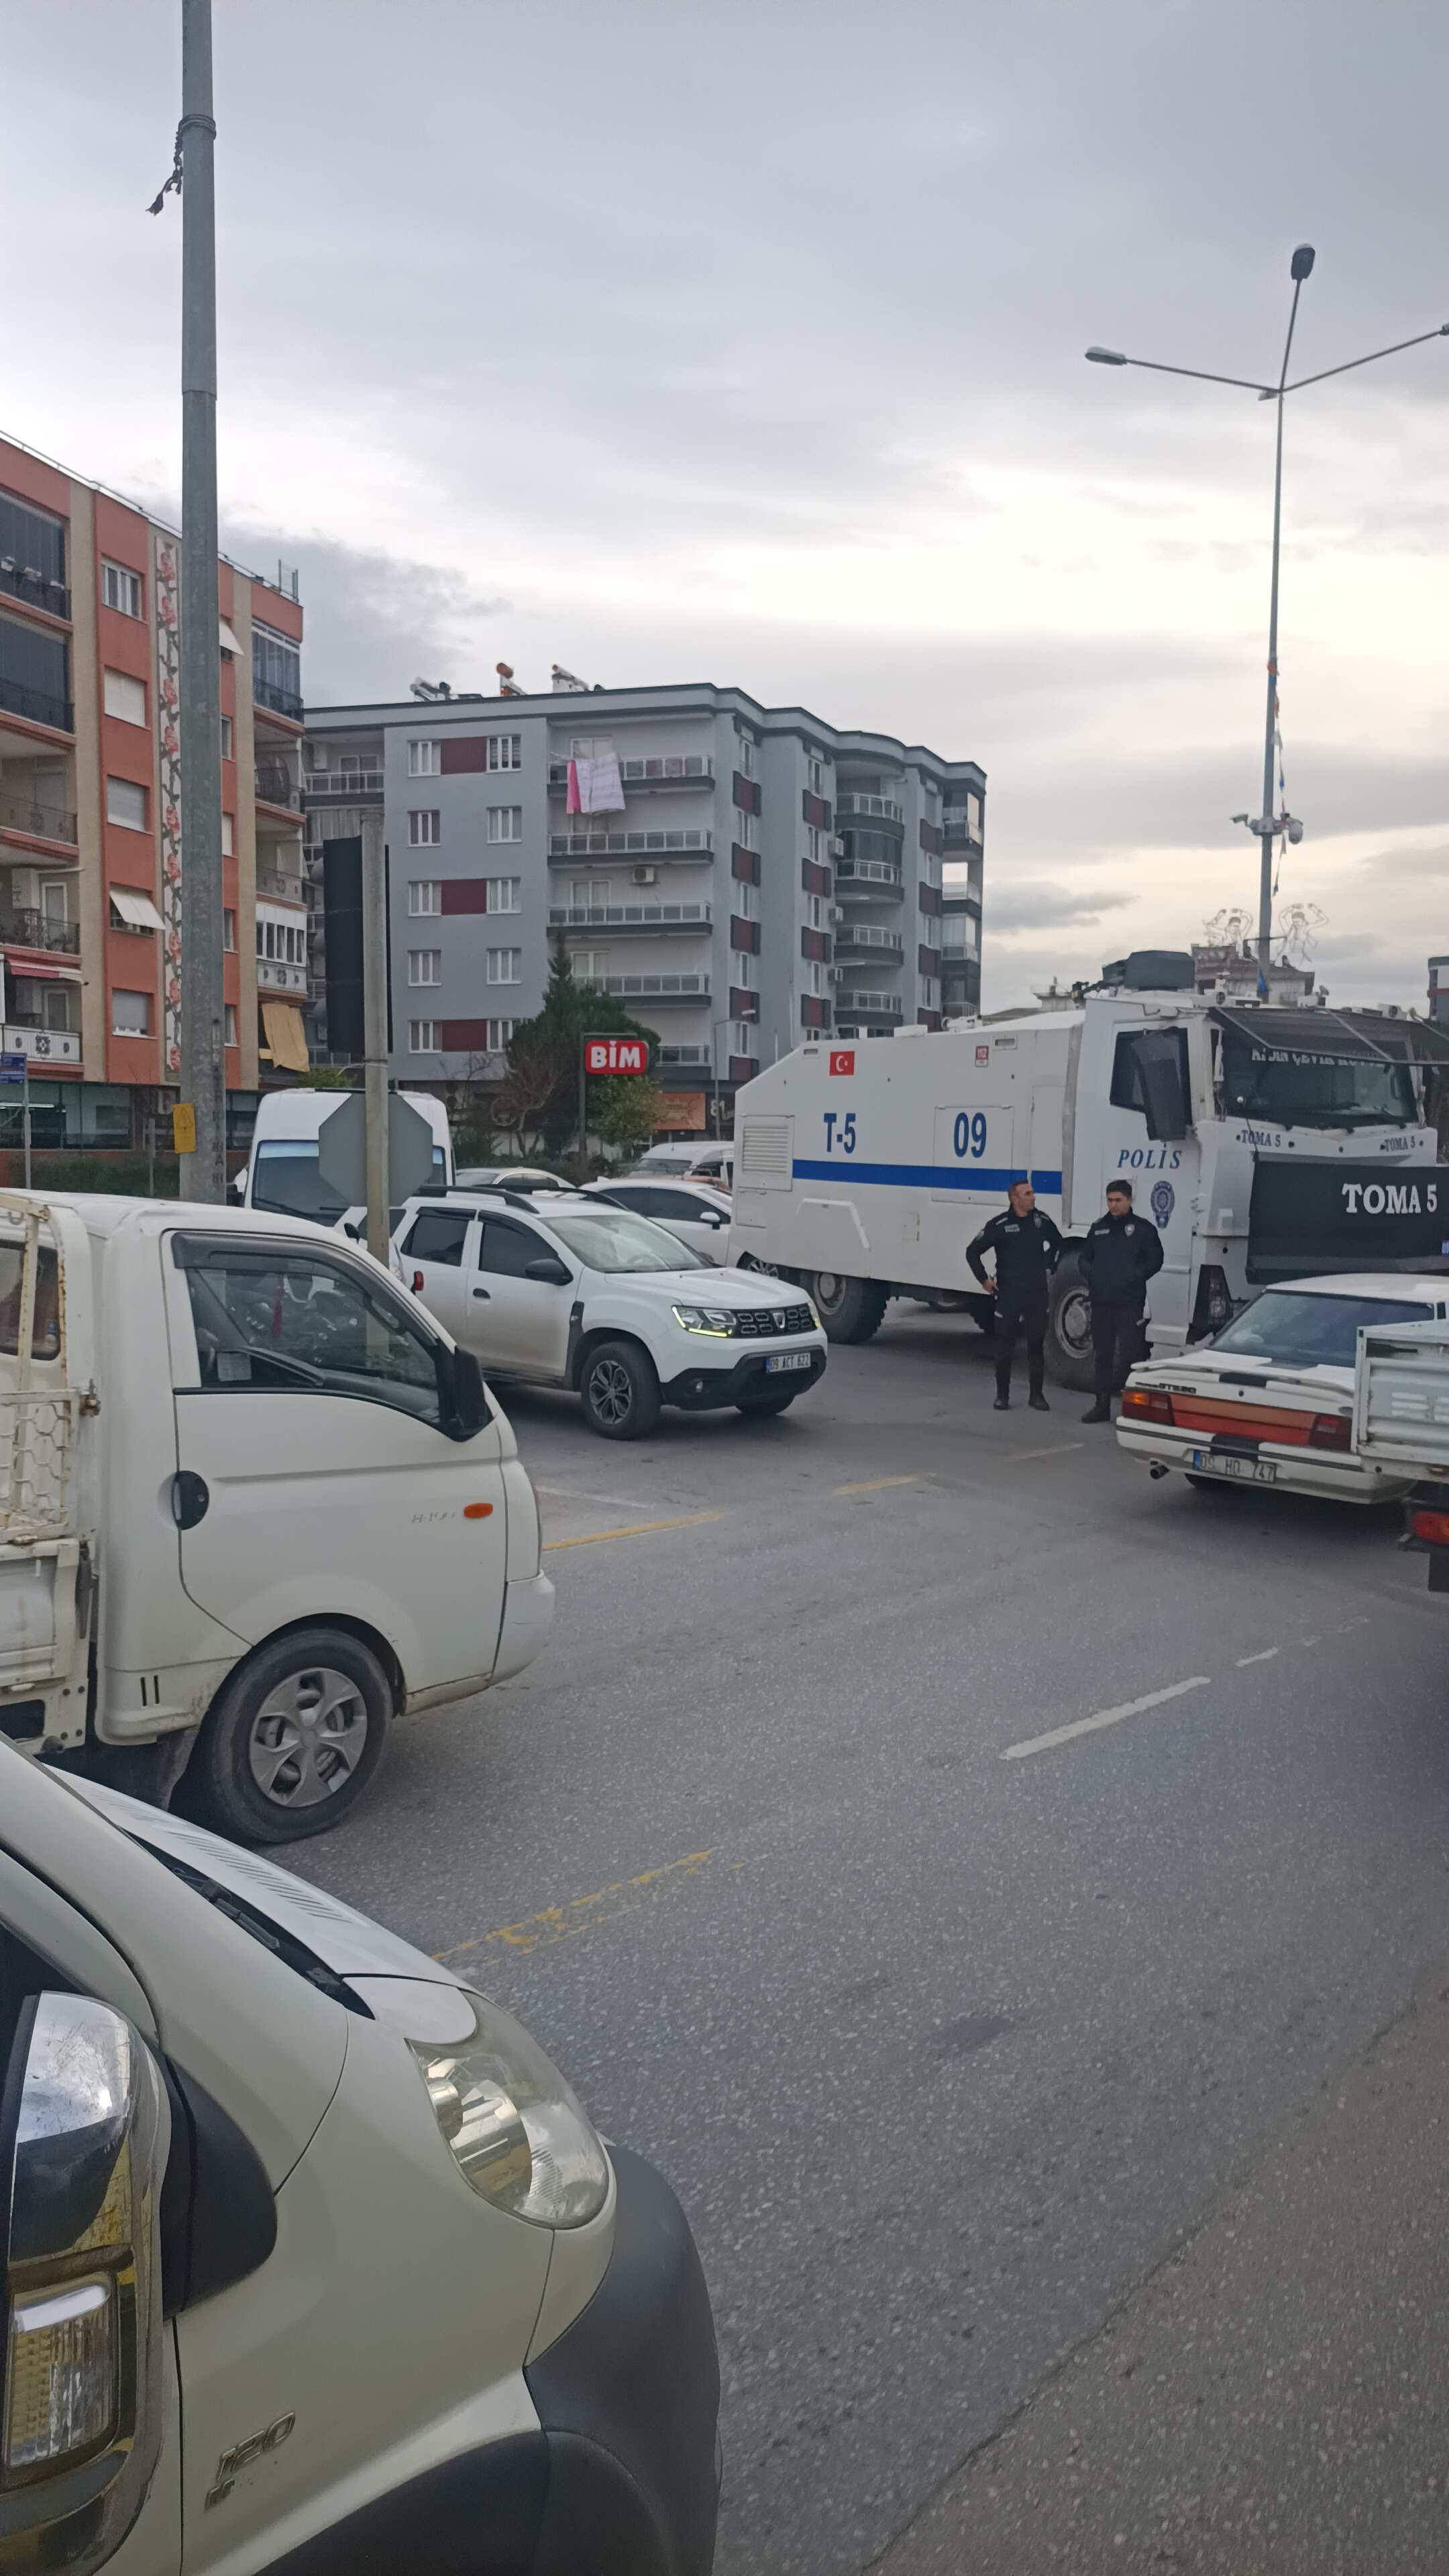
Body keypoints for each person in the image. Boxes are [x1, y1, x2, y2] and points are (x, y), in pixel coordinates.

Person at [967, 1179, 1064, 1412]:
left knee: (1035, 1345)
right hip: (1009, 1295)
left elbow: (1059, 1244)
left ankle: (1036, 1395)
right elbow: (973, 1252)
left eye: (1032, 1192)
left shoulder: (1041, 1221)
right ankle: (1002, 1396)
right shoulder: (1000, 1225)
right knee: (1004, 1346)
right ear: (1014, 1199)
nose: (1033, 1197)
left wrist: (1050, 1265)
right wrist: (984, 1280)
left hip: (1037, 1295)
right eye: (1027, 1194)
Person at [1078, 1179, 1164, 1422]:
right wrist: (1093, 1274)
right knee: (1103, 1356)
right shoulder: (1098, 1228)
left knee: (1130, 1356)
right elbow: (1084, 1258)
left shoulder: (1143, 1229)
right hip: (1102, 1302)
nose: (1113, 1205)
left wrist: (1134, 1276)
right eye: (1110, 1200)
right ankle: (1101, 1405)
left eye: (1118, 1200)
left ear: (1129, 1200)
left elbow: (1156, 1260)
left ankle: (1134, 1407)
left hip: (1129, 1304)